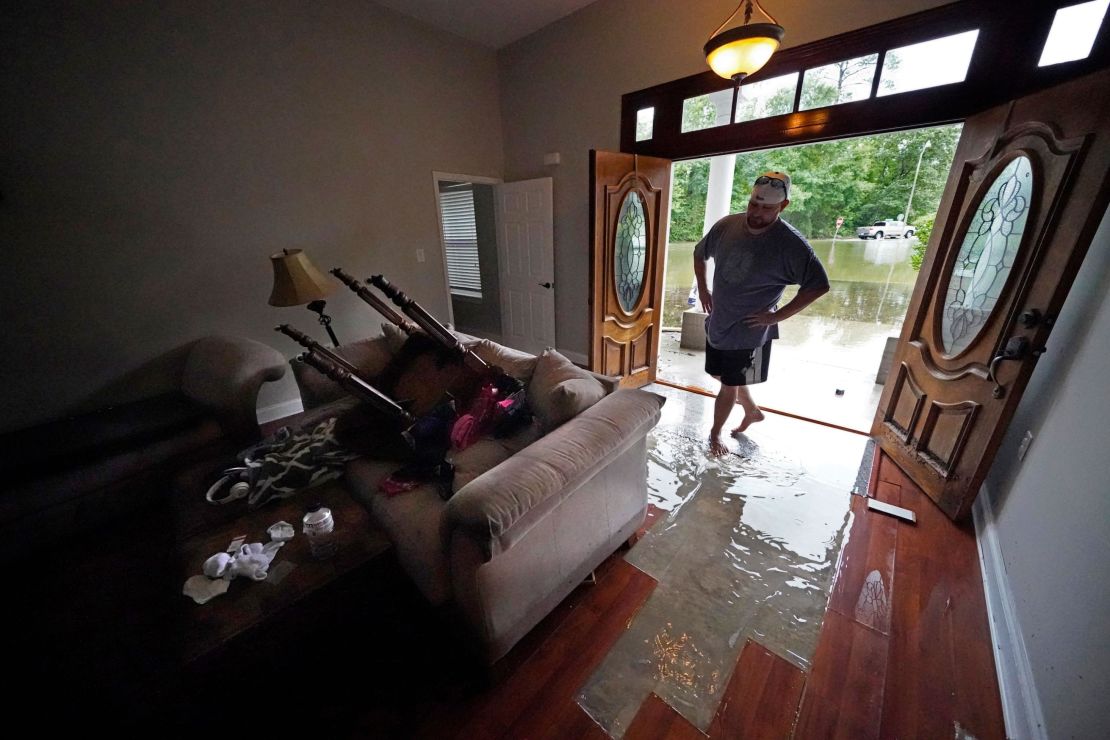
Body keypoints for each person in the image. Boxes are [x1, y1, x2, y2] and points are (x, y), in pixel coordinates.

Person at [693, 171, 830, 456]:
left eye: (767, 208)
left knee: (729, 384)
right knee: (721, 375)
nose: (756, 212)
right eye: (753, 203)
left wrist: (776, 317)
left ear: (784, 205)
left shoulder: (791, 245)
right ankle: (753, 410)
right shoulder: (727, 225)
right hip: (719, 321)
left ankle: (715, 435)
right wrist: (704, 290)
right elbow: (699, 252)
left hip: (749, 330)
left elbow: (818, 286)